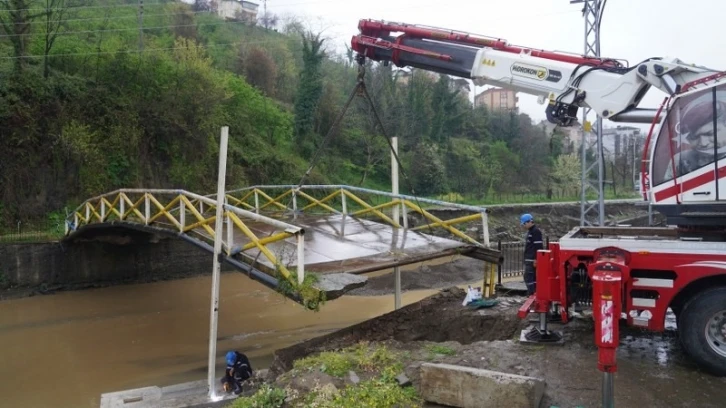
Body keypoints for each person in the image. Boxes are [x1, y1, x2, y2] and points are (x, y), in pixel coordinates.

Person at [520, 213, 544, 296]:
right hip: (529, 259)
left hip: (531, 259)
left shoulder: (535, 231)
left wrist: (536, 259)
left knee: (528, 277)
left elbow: (538, 246)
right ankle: (533, 292)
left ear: (529, 222)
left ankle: (532, 293)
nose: (524, 226)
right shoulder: (531, 231)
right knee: (531, 277)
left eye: (524, 224)